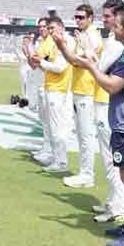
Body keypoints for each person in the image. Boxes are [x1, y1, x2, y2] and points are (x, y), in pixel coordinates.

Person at [73, 10, 124, 246]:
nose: (111, 29)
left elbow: (110, 85)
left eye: (116, 25)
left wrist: (89, 66)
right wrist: (90, 58)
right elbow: (106, 73)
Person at [54, 0, 124, 223]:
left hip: (107, 104)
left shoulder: (115, 43)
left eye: (107, 16)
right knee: (108, 158)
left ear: (119, 17)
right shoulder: (111, 40)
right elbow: (90, 63)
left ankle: (119, 208)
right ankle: (113, 203)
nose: (104, 20)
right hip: (101, 100)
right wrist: (67, 49)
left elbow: (96, 67)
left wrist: (79, 51)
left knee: (112, 159)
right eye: (103, 16)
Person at [64, 4, 103, 188]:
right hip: (80, 88)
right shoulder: (83, 35)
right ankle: (84, 172)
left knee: (86, 135)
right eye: (76, 17)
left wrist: (72, 56)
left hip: (88, 90)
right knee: (81, 134)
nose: (77, 20)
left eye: (81, 17)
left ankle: (87, 175)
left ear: (90, 18)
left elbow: (86, 60)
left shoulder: (93, 35)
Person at [30, 16, 74, 173]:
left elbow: (60, 67)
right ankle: (56, 159)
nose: (50, 31)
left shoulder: (64, 42)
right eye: (49, 29)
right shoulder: (56, 43)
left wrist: (41, 62)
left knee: (57, 127)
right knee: (53, 126)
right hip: (52, 87)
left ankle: (60, 162)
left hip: (58, 89)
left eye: (52, 28)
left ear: (61, 27)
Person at [26, 18, 51, 164]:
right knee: (43, 120)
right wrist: (29, 51)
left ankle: (49, 152)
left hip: (49, 85)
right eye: (39, 27)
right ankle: (45, 148)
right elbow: (34, 64)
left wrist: (31, 53)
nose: (41, 29)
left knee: (49, 122)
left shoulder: (50, 43)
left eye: (44, 26)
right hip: (41, 84)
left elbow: (38, 62)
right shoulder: (42, 43)